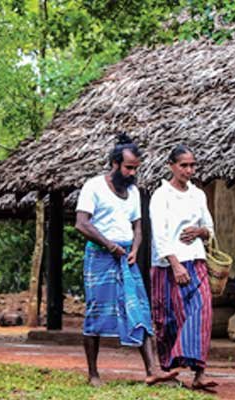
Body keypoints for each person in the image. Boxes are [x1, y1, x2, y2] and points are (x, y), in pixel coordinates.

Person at [73, 133, 179, 387]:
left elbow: (138, 227)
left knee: (139, 307)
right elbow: (81, 223)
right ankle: (93, 374)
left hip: (125, 258)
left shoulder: (132, 193)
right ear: (115, 163)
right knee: (96, 311)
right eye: (129, 167)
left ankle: (153, 370)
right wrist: (108, 245)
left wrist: (134, 248)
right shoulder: (94, 186)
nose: (132, 173)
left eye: (135, 168)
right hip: (100, 256)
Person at [149, 145, 216, 391]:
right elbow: (159, 234)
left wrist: (200, 231)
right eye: (184, 165)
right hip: (168, 264)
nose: (189, 170)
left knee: (203, 312)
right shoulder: (161, 195)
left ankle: (200, 373)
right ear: (172, 166)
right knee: (167, 318)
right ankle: (167, 370)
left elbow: (210, 229)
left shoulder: (198, 195)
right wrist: (175, 264)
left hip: (196, 259)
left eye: (192, 165)